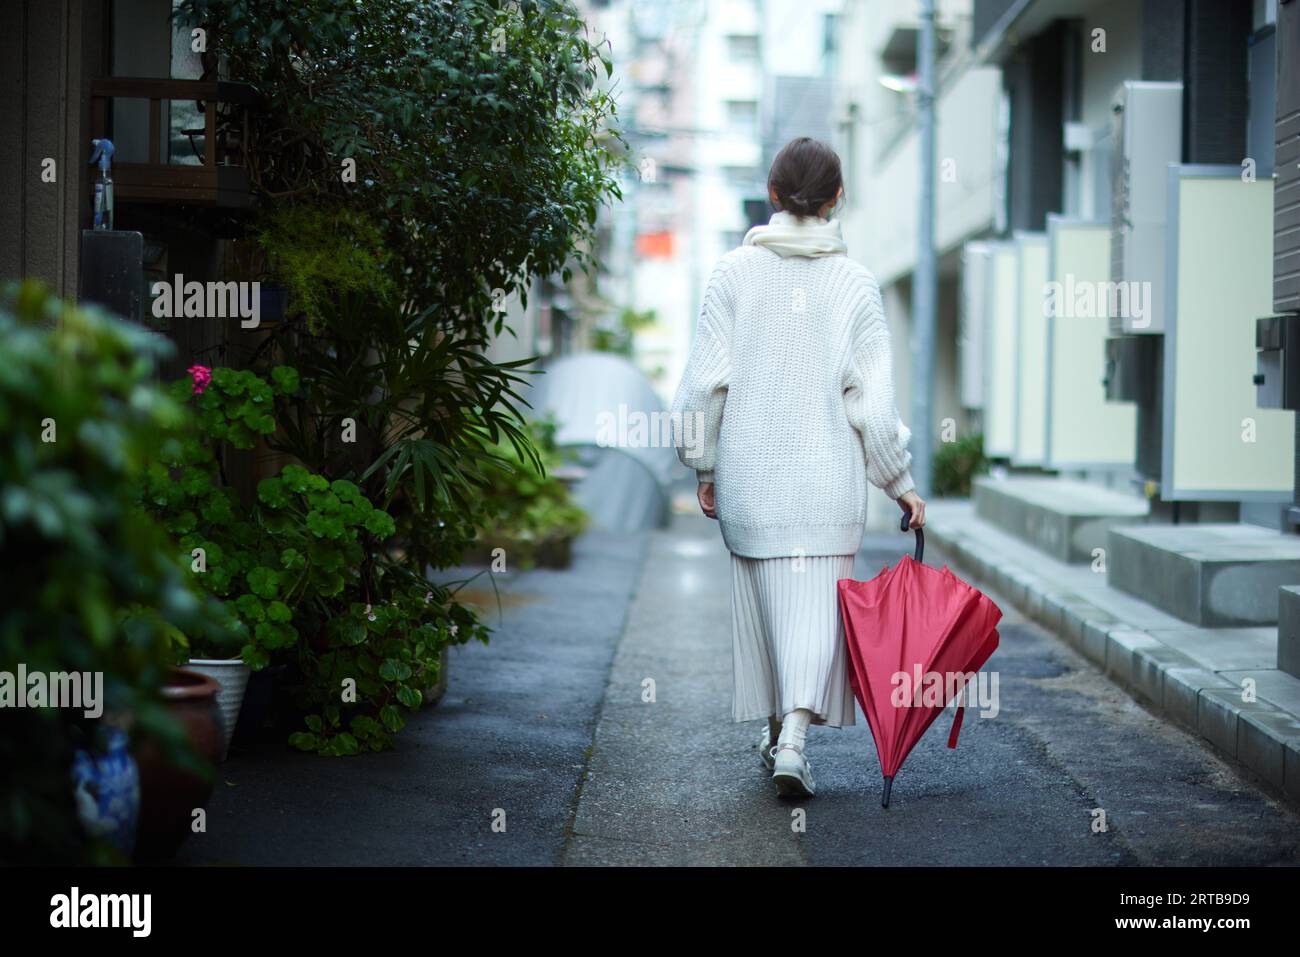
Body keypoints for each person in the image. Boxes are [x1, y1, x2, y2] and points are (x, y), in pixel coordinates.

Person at [670, 136, 926, 798]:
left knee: (762, 609)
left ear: (773, 194)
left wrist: (703, 464)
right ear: (838, 197)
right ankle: (793, 740)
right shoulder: (856, 285)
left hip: (751, 480)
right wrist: (900, 482)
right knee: (812, 612)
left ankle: (777, 731)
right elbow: (873, 403)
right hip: (824, 487)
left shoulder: (731, 273)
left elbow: (704, 386)